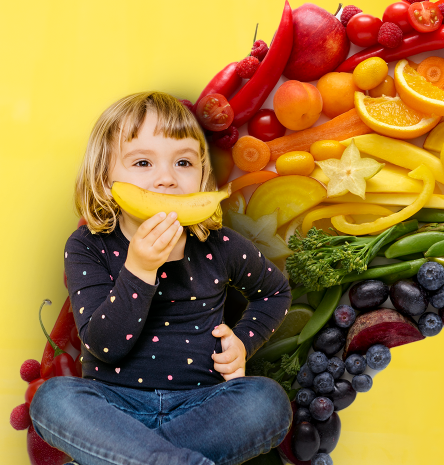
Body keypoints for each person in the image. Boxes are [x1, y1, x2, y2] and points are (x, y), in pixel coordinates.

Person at [31, 91, 293, 465]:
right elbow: (103, 347)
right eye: (142, 162)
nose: (167, 179)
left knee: (267, 402)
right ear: (105, 179)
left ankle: (126, 459)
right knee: (53, 399)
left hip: (200, 407)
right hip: (113, 408)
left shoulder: (219, 246)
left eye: (184, 162)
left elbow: (275, 292)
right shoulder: (88, 246)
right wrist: (139, 270)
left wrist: (244, 342)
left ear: (202, 177)